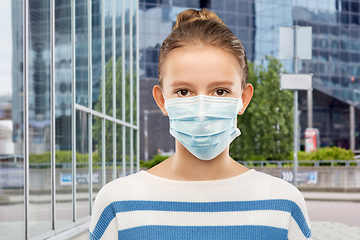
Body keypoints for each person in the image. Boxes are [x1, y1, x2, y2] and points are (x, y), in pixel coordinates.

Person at [89, 8, 312, 240]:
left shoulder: (284, 204)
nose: (202, 108)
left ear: (243, 99)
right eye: (184, 91)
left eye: (220, 91)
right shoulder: (117, 203)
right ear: (161, 100)